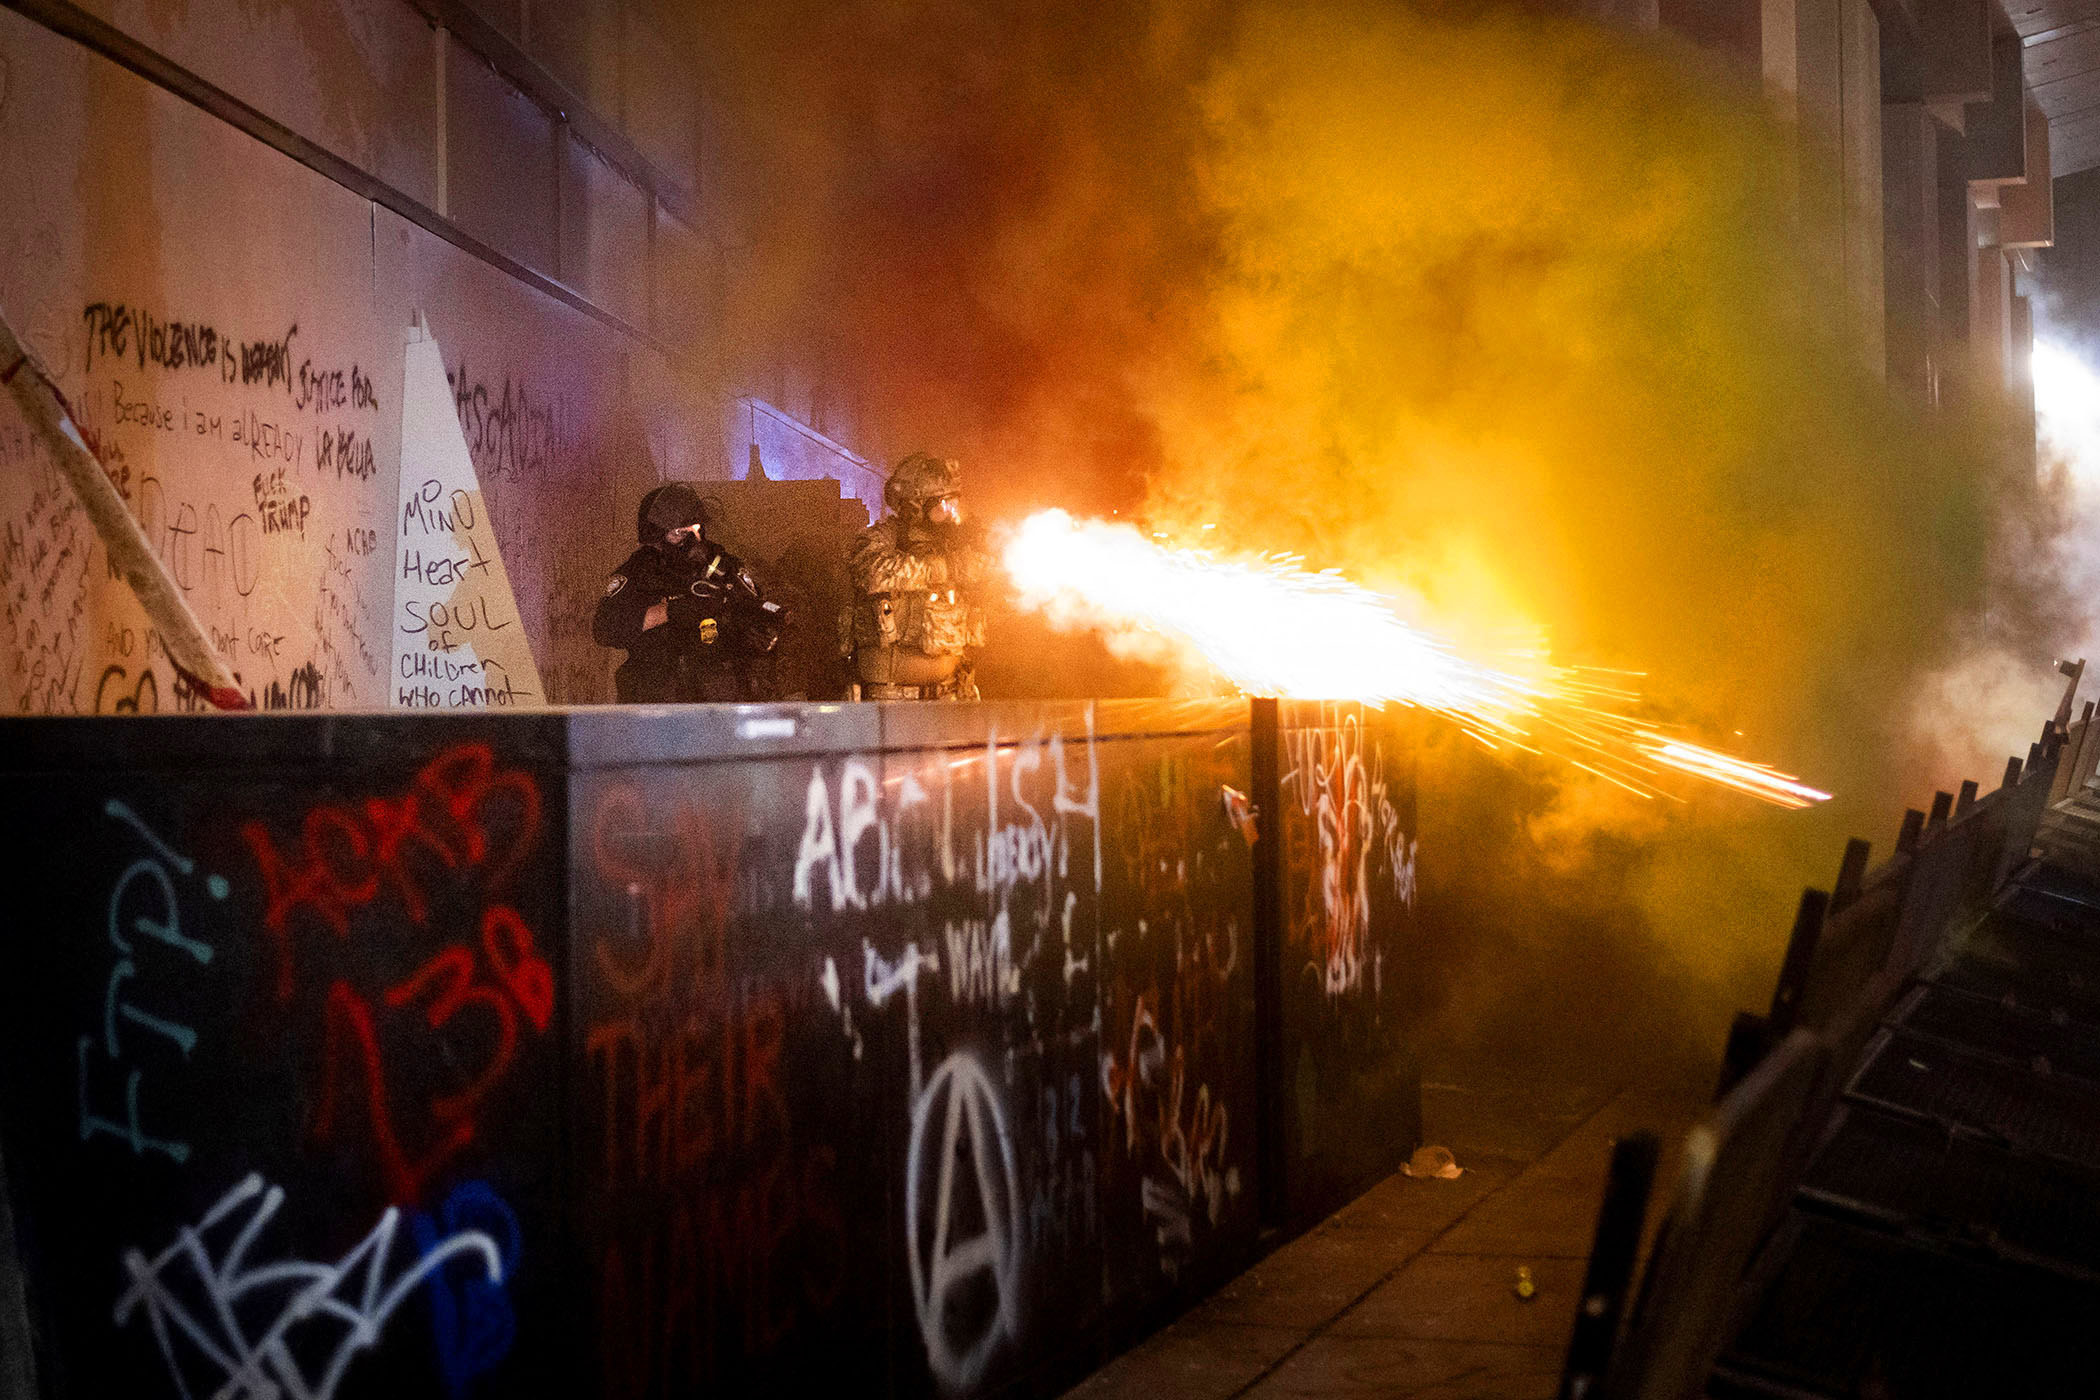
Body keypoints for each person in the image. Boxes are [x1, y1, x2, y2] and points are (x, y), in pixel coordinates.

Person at [594, 482, 787, 702]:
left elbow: (754, 611)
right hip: (658, 701)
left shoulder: (723, 568)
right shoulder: (639, 573)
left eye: (696, 529)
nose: (692, 540)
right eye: (679, 533)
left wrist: (753, 632)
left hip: (716, 701)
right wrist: (670, 611)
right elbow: (605, 629)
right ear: (657, 535)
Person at [843, 452, 989, 700]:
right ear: (914, 506)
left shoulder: (957, 544)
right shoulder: (883, 538)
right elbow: (873, 570)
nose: (951, 512)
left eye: (954, 503)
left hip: (950, 694)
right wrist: (942, 568)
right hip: (892, 697)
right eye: (942, 505)